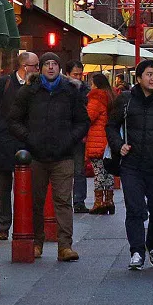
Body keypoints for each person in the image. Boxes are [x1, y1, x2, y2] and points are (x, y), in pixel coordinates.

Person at [7, 52, 89, 262]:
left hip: (63, 155)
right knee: (36, 201)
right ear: (40, 68)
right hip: (36, 155)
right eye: (47, 64)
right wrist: (30, 138)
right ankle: (37, 242)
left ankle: (65, 246)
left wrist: (69, 139)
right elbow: (14, 120)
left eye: (55, 64)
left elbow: (82, 122)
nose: (51, 68)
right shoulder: (29, 91)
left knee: (63, 201)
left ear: (60, 68)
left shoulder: (70, 91)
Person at [106, 58, 153, 270]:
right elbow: (111, 126)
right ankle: (136, 251)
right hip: (132, 165)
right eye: (149, 74)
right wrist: (119, 145)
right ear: (138, 78)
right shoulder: (126, 100)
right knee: (135, 209)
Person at [0, 51, 38, 239]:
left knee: (27, 186)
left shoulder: (36, 86)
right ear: (24, 67)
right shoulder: (4, 83)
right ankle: (4, 225)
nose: (38, 69)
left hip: (27, 141)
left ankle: (25, 224)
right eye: (35, 66)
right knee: (4, 186)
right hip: (4, 142)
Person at [85, 73, 116, 215]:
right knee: (108, 171)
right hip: (109, 141)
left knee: (98, 172)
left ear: (96, 84)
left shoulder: (96, 98)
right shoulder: (112, 96)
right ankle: (109, 201)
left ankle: (98, 203)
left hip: (97, 140)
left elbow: (88, 118)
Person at [63, 59, 91, 213]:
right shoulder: (62, 87)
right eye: (75, 74)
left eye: (81, 74)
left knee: (79, 170)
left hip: (79, 135)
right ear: (68, 74)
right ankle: (64, 200)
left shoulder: (86, 90)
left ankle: (79, 200)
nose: (78, 77)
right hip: (64, 134)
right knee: (64, 170)